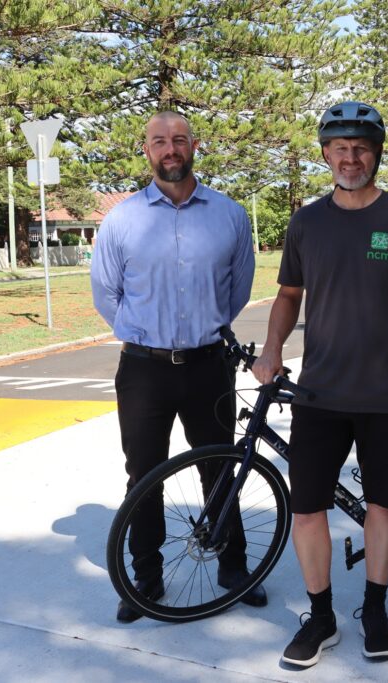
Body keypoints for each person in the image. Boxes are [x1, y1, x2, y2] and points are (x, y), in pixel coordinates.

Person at [252, 100, 388, 667]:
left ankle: (374, 609)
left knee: (383, 507)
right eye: (341, 148)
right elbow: (289, 295)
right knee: (307, 509)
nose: (351, 158)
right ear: (326, 154)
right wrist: (271, 349)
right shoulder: (306, 222)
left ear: (377, 154)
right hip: (319, 393)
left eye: (362, 149)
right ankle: (320, 617)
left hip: (387, 395)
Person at [91, 110, 265, 623]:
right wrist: (147, 333)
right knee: (144, 475)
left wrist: (203, 328)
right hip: (144, 370)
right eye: (160, 141)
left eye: (180, 140)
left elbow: (237, 290)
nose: (171, 149)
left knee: (220, 469)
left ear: (194, 146)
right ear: (147, 150)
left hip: (209, 365)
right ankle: (145, 578)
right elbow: (106, 293)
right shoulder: (122, 219)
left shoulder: (229, 215)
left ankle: (233, 567)